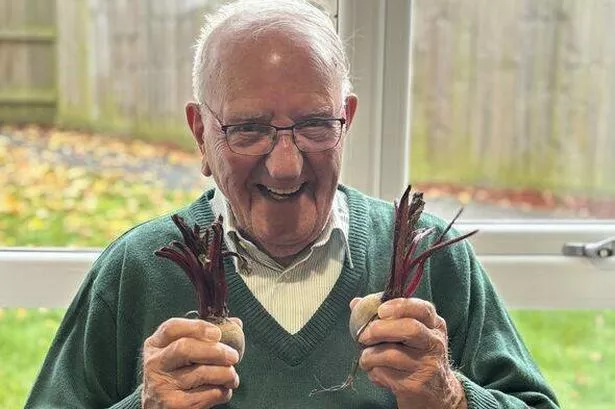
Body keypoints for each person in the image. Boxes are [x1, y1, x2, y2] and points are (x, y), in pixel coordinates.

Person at [25, 1, 560, 408]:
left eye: (314, 125)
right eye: (248, 129)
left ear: (345, 119)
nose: (285, 165)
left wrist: (452, 395)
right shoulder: (138, 270)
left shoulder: (432, 257)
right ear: (200, 133)